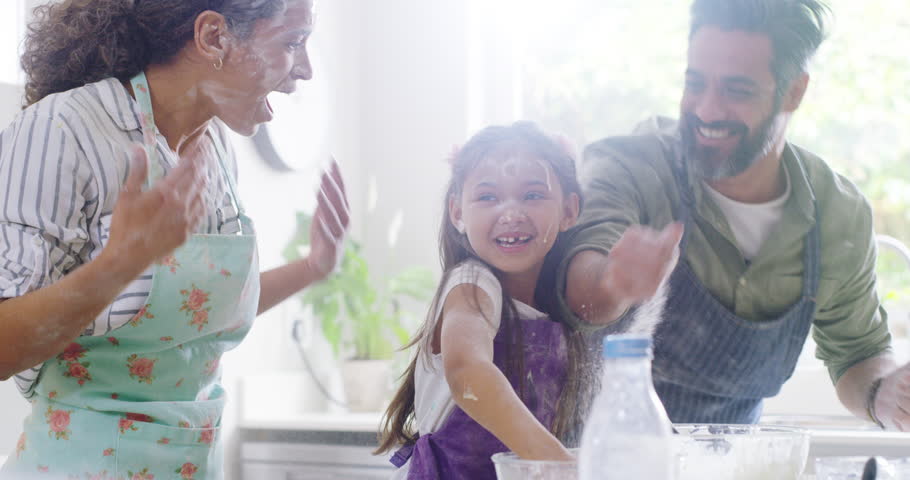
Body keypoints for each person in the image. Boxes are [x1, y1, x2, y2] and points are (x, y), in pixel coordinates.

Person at [0, 0, 350, 477]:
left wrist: (314, 267)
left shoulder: (217, 149)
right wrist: (118, 265)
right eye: (292, 42)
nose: (305, 70)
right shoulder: (63, 128)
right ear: (213, 38)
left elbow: (190, 318)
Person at [551, 0, 910, 431]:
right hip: (599, 459)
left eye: (736, 91)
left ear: (794, 91)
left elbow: (858, 354)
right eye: (695, 83)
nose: (706, 110)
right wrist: (612, 283)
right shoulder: (629, 165)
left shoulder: (838, 213)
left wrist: (884, 395)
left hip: (729, 466)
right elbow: (581, 284)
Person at [375, 122, 589, 479]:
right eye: (488, 197)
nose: (511, 213)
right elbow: (468, 373)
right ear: (457, 212)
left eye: (532, 195)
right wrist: (560, 465)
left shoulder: (552, 310)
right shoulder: (472, 284)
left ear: (569, 210)